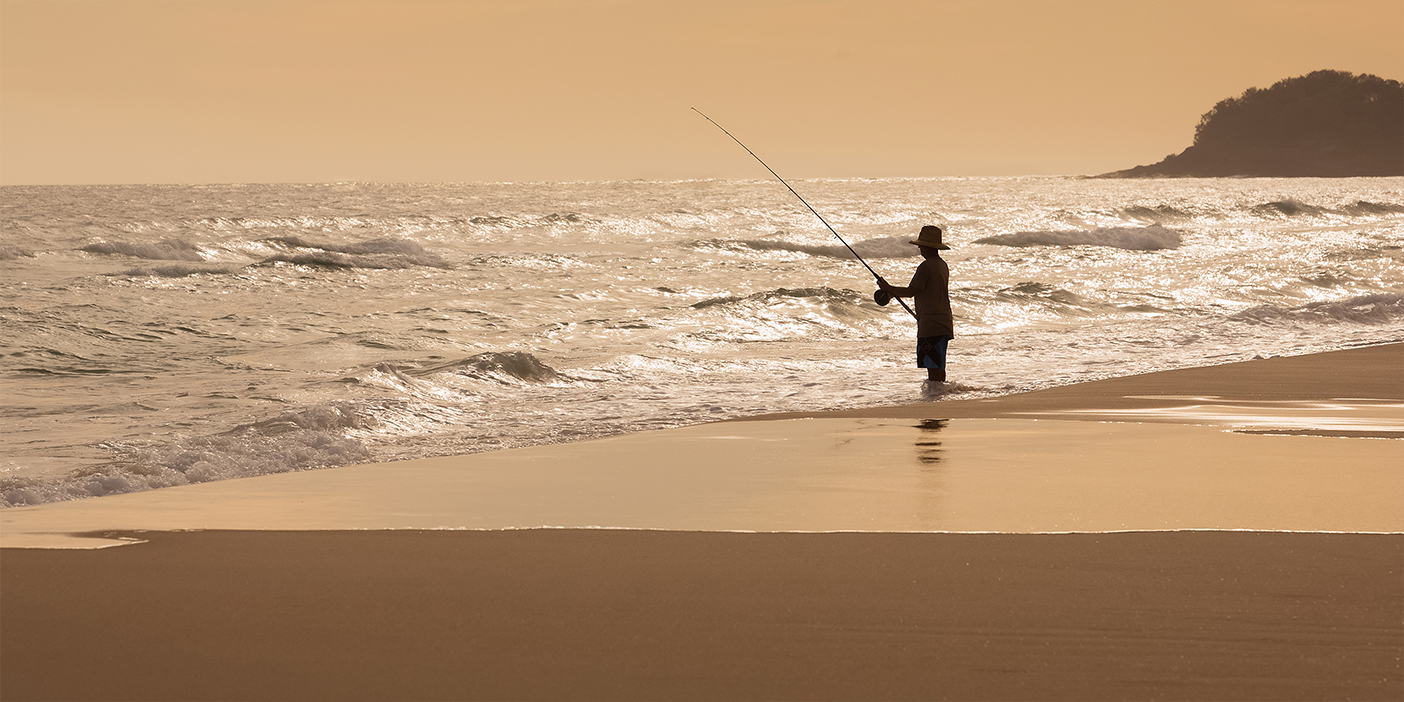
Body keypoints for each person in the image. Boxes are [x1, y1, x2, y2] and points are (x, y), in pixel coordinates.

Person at [876, 225, 953, 383]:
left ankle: (934, 395)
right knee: (939, 365)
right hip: (944, 321)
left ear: (927, 247)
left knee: (932, 366)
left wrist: (888, 288)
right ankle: (941, 394)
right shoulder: (942, 265)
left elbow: (911, 291)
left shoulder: (926, 267)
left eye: (921, 245)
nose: (919, 248)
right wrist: (891, 291)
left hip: (930, 324)